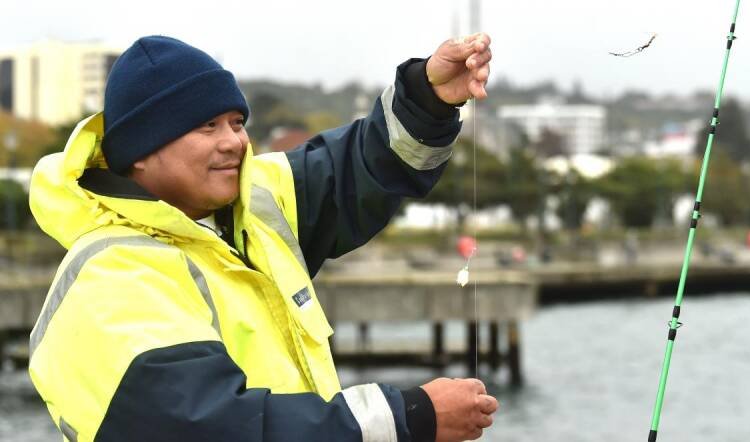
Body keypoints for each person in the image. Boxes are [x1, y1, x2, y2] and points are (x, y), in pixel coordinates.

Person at [28, 34, 496, 442]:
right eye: (207, 126)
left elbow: (357, 167)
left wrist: (428, 98)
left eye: (236, 122)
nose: (234, 142)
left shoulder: (253, 201)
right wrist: (408, 416)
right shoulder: (111, 277)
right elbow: (214, 427)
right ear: (139, 151)